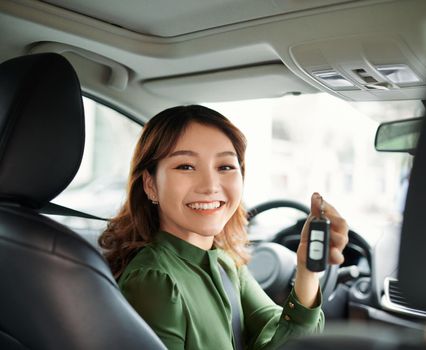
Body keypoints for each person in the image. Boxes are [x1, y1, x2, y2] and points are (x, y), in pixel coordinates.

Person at [99, 105, 349, 350]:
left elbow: (286, 342)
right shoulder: (155, 280)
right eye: (185, 166)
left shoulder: (224, 263)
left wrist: (307, 270)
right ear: (151, 184)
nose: (210, 185)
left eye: (225, 167)